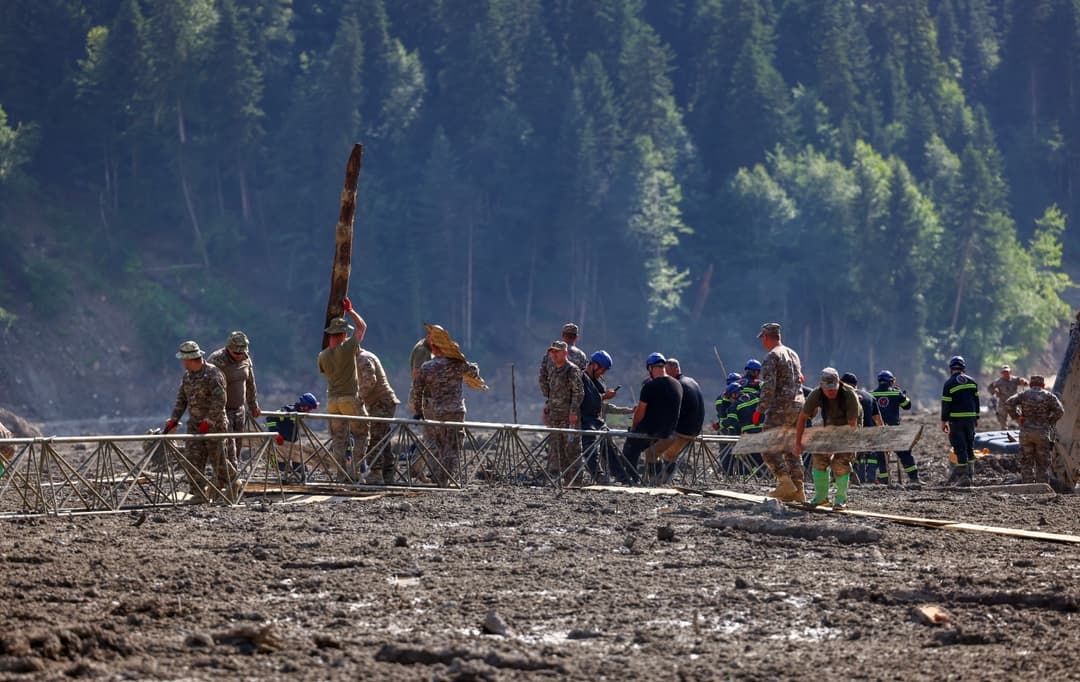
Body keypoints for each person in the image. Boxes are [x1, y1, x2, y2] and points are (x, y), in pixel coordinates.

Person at [409, 323, 488, 485]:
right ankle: (447, 479)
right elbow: (473, 373)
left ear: (435, 349)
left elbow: (417, 390)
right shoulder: (457, 364)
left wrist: (418, 412)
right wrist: (464, 360)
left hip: (437, 411)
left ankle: (438, 478)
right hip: (457, 410)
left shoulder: (427, 367)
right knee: (452, 447)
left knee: (437, 444)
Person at [164, 340, 235, 503]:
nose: (182, 363)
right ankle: (198, 493)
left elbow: (220, 400)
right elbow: (181, 400)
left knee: (218, 460)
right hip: (195, 424)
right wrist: (174, 420)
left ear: (190, 359)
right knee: (192, 459)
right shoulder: (187, 377)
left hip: (214, 425)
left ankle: (233, 483)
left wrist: (209, 421)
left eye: (183, 360)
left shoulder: (213, 374)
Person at [317, 297, 368, 482]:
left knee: (338, 439)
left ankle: (340, 475)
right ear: (342, 334)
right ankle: (354, 473)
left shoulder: (322, 355)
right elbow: (362, 327)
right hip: (349, 398)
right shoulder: (347, 348)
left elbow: (327, 376)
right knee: (361, 434)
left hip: (332, 401)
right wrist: (352, 310)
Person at [613, 353, 682, 485]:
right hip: (669, 432)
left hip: (652, 430)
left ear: (650, 368)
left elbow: (640, 411)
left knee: (631, 447)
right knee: (651, 452)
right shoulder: (677, 384)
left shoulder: (650, 386)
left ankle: (630, 478)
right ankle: (656, 479)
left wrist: (633, 427)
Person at [795, 368, 860, 509]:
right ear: (821, 385)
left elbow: (852, 426)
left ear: (839, 383)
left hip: (849, 430)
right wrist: (798, 443)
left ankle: (840, 500)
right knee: (818, 457)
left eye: (833, 389)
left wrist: (842, 446)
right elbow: (802, 418)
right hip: (829, 428)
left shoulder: (849, 396)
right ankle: (821, 498)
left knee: (841, 462)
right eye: (828, 389)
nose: (831, 392)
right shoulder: (816, 394)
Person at [755, 322, 806, 502]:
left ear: (767, 337)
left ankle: (785, 482)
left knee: (767, 445)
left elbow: (769, 386)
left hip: (780, 406)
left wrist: (760, 409)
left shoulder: (772, 356)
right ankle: (798, 489)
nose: (762, 342)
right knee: (792, 448)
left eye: (763, 338)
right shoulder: (793, 354)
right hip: (798, 406)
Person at [206, 330, 261, 471]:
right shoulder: (216, 360)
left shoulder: (245, 359)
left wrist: (253, 404)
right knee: (228, 450)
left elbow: (250, 383)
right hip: (223, 412)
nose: (239, 355)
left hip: (239, 411)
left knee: (237, 447)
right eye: (236, 353)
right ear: (228, 348)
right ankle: (231, 484)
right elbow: (206, 387)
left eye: (242, 352)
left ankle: (231, 479)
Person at [1005, 375, 1064, 484]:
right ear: (1043, 385)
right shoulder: (1049, 396)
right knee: (1042, 463)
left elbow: (1008, 403)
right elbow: (1060, 411)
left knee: (1026, 462)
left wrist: (1017, 417)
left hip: (1026, 433)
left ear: (1031, 384)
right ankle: (1042, 488)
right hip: (1042, 433)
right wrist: (1049, 421)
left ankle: (1028, 487)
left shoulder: (1023, 395)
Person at [656, 358, 705, 484]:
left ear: (676, 370)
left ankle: (657, 481)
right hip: (695, 431)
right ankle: (665, 479)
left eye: (667, 372)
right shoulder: (692, 381)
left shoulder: (675, 385)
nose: (665, 375)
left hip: (682, 432)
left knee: (654, 449)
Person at [357, 347, 400, 484]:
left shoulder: (363, 358)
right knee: (383, 440)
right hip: (381, 402)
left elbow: (370, 381)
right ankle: (388, 474)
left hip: (381, 402)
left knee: (375, 437)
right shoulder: (362, 357)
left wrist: (357, 397)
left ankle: (375, 473)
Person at [870, 370, 921, 486]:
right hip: (894, 431)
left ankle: (884, 479)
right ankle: (914, 478)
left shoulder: (872, 394)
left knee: (880, 455)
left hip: (878, 431)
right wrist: (902, 394)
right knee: (905, 454)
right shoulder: (896, 393)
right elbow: (907, 406)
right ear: (891, 381)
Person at [544, 340, 584, 483]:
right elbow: (553, 392)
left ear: (565, 353)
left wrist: (573, 412)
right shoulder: (554, 370)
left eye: (556, 352)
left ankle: (576, 482)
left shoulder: (571, 370)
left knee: (572, 450)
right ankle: (567, 481)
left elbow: (578, 393)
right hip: (555, 417)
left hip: (568, 419)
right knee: (558, 451)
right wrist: (548, 407)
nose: (553, 355)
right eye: (552, 352)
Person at [579, 350, 619, 483]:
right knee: (590, 447)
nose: (603, 373)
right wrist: (604, 396)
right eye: (602, 369)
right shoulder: (581, 378)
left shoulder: (599, 382)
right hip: (584, 419)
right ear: (594, 365)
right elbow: (587, 399)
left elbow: (601, 400)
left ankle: (620, 475)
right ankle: (598, 476)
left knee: (608, 445)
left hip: (597, 419)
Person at [941, 355, 980, 486]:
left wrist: (943, 421)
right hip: (970, 418)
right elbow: (976, 401)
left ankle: (964, 477)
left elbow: (946, 405)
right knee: (970, 446)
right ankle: (970, 474)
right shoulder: (972, 381)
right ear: (963, 368)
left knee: (959, 446)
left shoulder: (949, 384)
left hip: (956, 420)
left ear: (951, 369)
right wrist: (976, 417)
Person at [539, 323, 588, 421]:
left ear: (562, 335)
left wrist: (550, 397)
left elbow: (542, 378)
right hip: (572, 408)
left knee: (555, 434)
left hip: (553, 405)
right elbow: (583, 383)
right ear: (576, 337)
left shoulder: (550, 354)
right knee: (570, 434)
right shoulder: (581, 356)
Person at [266, 393, 320, 482]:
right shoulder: (288, 410)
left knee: (302, 472)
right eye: (309, 408)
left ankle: (300, 482)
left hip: (293, 444)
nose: (309, 411)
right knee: (282, 472)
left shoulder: (299, 413)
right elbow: (270, 417)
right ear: (304, 406)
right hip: (280, 443)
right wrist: (275, 433)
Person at [841, 372, 881, 485]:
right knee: (871, 454)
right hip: (870, 434)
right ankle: (871, 477)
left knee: (854, 455)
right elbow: (878, 420)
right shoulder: (870, 397)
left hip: (851, 435)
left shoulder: (843, 397)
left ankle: (853, 476)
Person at [988, 365, 1028, 430]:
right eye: (1004, 372)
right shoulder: (998, 381)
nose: (1006, 373)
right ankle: (1004, 432)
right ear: (1002, 373)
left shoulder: (1015, 379)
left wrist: (1024, 381)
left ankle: (1023, 431)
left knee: (1019, 419)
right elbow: (990, 388)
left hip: (1013, 403)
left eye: (1007, 372)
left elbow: (1026, 384)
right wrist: (995, 391)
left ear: (1010, 372)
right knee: (1002, 421)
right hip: (1003, 403)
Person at [408, 329, 434, 418]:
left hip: (424, 397)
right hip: (423, 398)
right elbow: (416, 373)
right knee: (432, 429)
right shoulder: (422, 350)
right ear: (428, 337)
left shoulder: (428, 349)